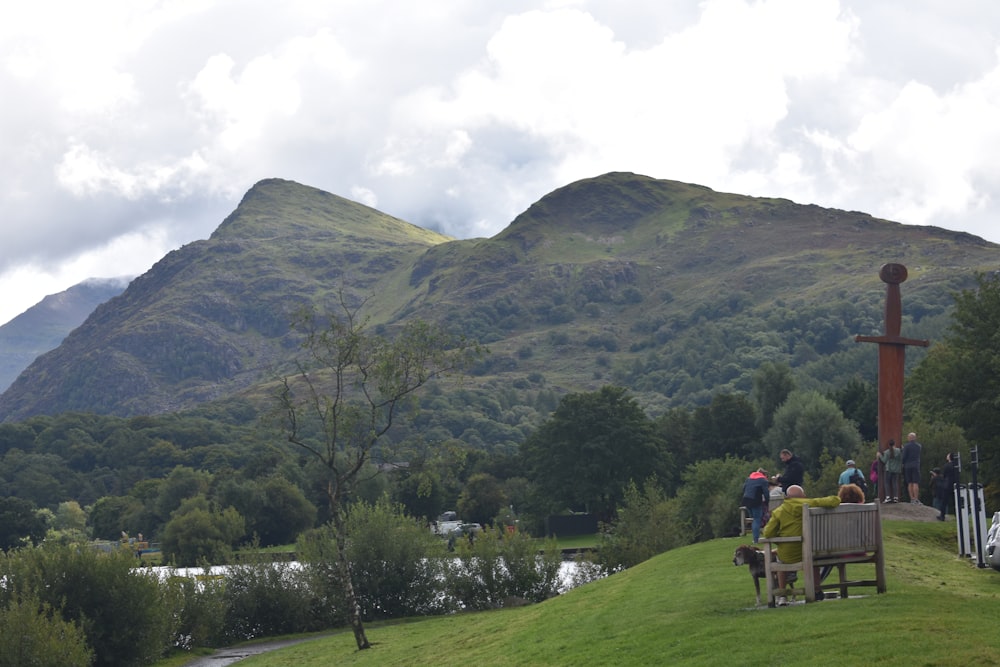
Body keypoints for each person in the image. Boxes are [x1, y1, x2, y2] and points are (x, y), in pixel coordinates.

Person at [761, 485, 841, 605]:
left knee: (779, 560)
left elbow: (768, 533)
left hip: (788, 554)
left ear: (787, 497)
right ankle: (817, 590)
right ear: (803, 496)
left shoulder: (779, 511)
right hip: (809, 552)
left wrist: (779, 540)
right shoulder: (809, 503)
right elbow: (835, 500)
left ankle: (782, 595)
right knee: (813, 559)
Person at [741, 468, 770, 543]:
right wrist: (767, 502)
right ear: (764, 475)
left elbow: (743, 488)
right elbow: (766, 493)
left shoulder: (749, 478)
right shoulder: (763, 480)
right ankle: (756, 540)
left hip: (746, 499)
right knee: (757, 519)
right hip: (755, 500)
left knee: (754, 519)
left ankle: (755, 535)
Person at [902, 432, 922, 504]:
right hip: (916, 465)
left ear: (909, 438)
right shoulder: (919, 446)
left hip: (907, 466)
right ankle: (916, 498)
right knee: (916, 482)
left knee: (909, 482)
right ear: (915, 438)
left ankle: (912, 498)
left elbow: (904, 457)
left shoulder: (906, 446)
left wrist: (902, 463)